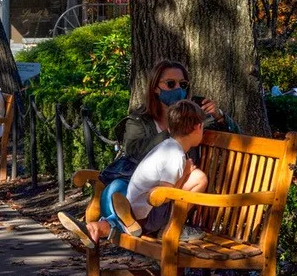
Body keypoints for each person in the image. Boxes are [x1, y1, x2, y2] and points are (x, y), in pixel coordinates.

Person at [60, 99, 209, 245]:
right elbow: (163, 196)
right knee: (199, 178)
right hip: (148, 216)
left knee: (119, 224)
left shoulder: (165, 146)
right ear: (197, 127)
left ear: (169, 129)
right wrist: (185, 173)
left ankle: (93, 228)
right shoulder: (176, 156)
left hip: (134, 206)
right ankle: (173, 227)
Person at [117, 60, 236, 163]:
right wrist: (173, 132)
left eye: (183, 84)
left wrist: (220, 116)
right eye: (171, 83)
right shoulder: (139, 120)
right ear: (155, 88)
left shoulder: (195, 115)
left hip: (185, 182)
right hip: (149, 184)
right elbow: (133, 153)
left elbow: (239, 139)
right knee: (117, 186)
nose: (178, 88)